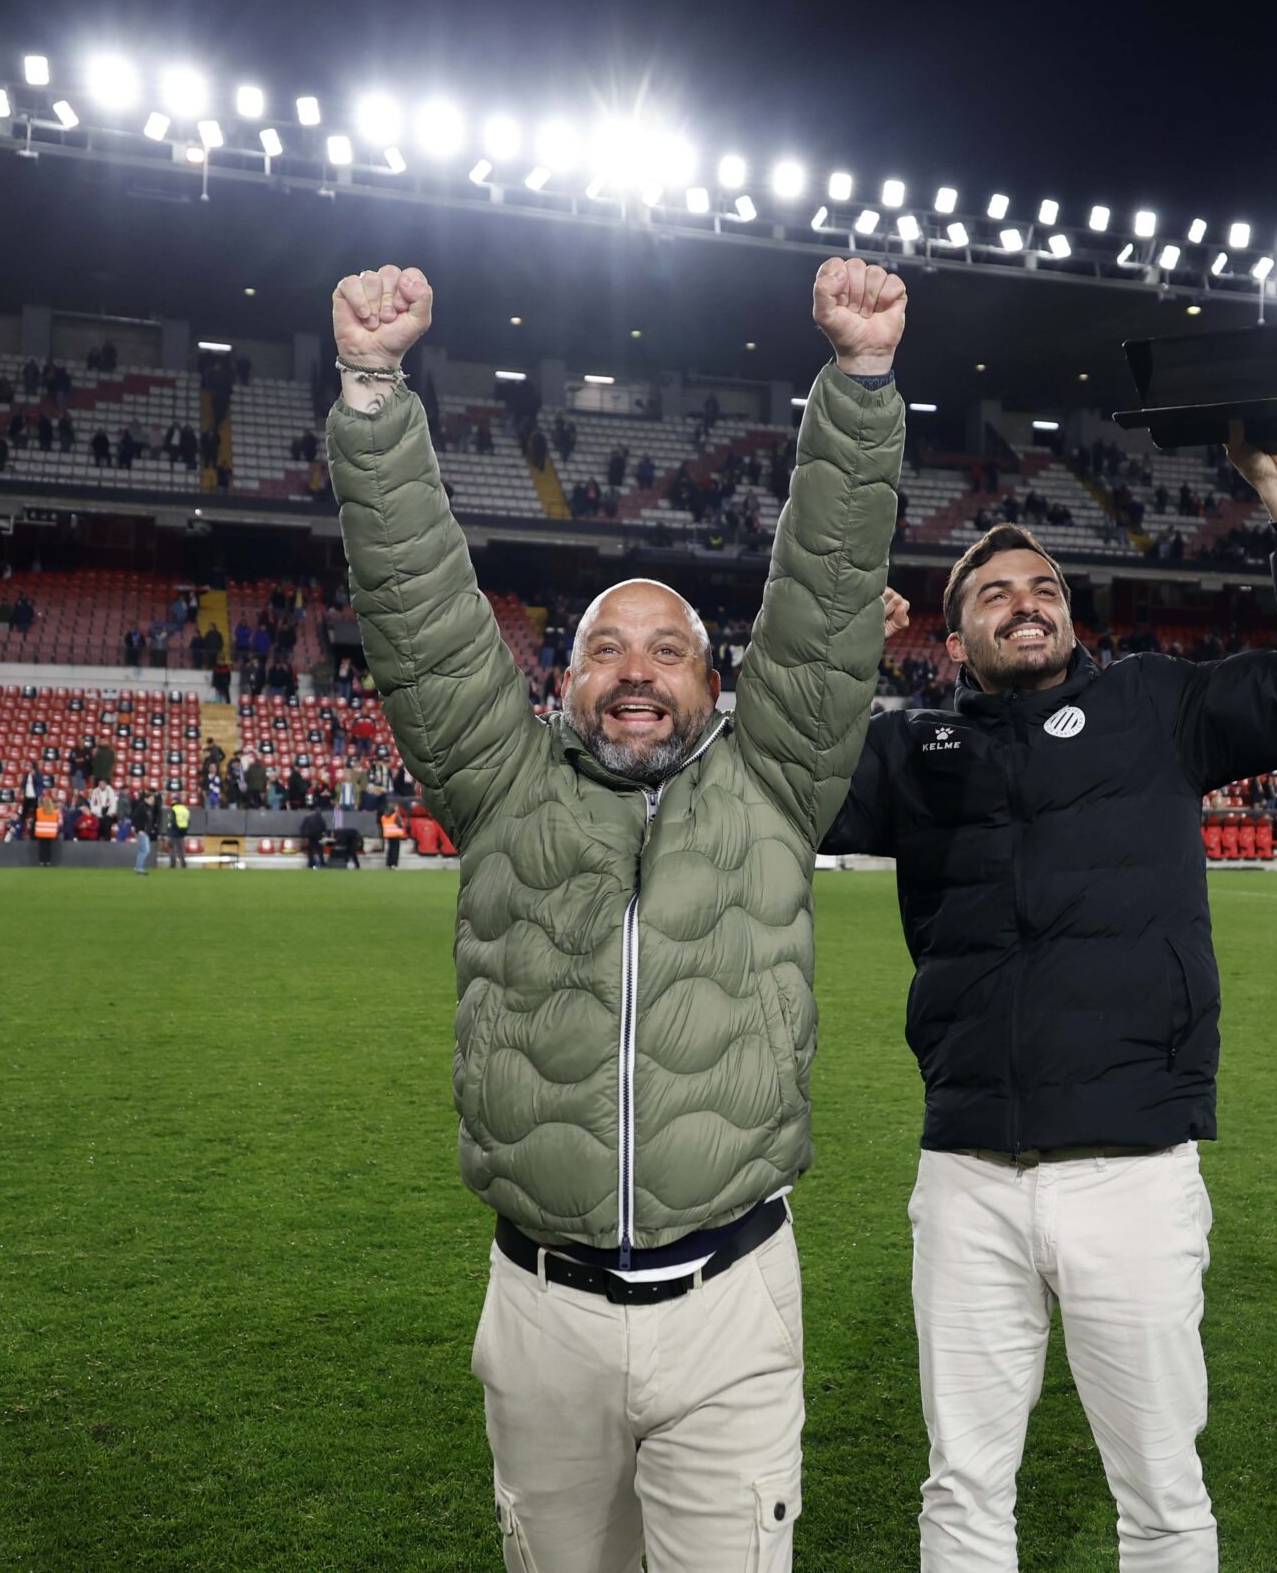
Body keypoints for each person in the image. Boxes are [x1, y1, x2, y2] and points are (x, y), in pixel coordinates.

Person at [326, 258, 903, 1572]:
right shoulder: (502, 781)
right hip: (542, 1306)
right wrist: (373, 392)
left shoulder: (774, 782)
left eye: (668, 649)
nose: (636, 669)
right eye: (603, 645)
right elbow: (417, 614)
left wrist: (861, 385)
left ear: (715, 680)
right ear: (562, 678)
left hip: (733, 1300)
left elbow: (823, 602)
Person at [821, 422, 1277, 1573]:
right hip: (967, 1173)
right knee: (963, 1489)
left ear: (1070, 612)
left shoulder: (1155, 707)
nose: (1023, 603)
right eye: (992, 592)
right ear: (953, 632)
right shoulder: (908, 747)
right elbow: (766, 802)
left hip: (1131, 1168)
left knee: (1163, 1496)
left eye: (1044, 587)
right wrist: (826, 668)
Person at [32, 794, 60, 866]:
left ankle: (42, 861)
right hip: (50, 833)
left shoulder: (38, 811)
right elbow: (57, 822)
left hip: (41, 833)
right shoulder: (55, 812)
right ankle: (48, 861)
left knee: (42, 848)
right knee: (48, 848)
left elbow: (34, 821)